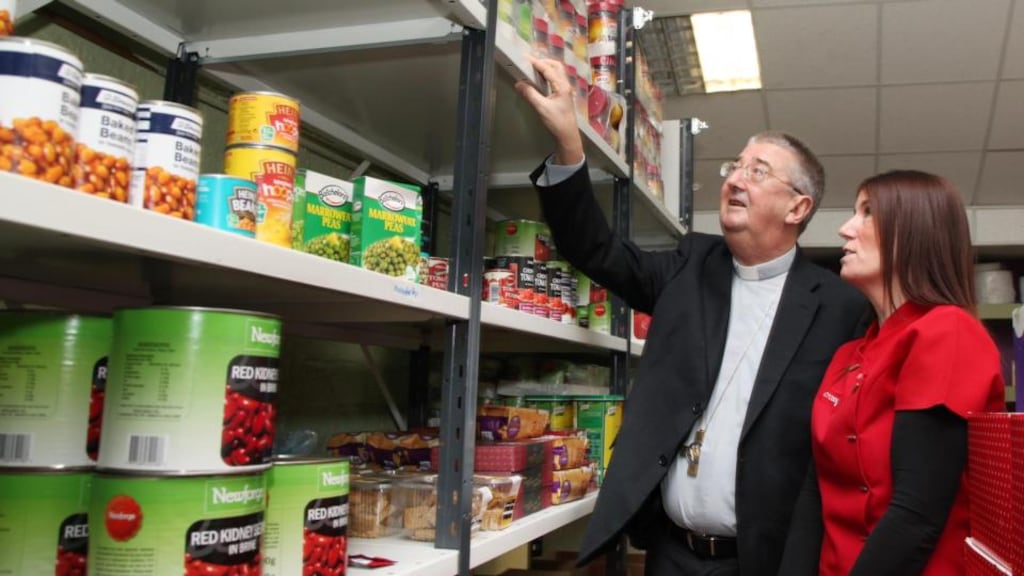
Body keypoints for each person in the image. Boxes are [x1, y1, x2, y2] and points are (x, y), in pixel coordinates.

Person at [515, 57, 869, 576]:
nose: (735, 179)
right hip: (670, 554)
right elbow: (597, 250)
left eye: (758, 171)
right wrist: (572, 147)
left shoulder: (840, 309)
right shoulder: (691, 264)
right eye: (735, 166)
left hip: (763, 562)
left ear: (797, 209)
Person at [777, 170, 1005, 575]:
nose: (845, 229)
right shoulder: (849, 353)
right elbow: (817, 492)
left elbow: (916, 514)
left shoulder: (946, 332)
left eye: (867, 213)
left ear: (913, 231)